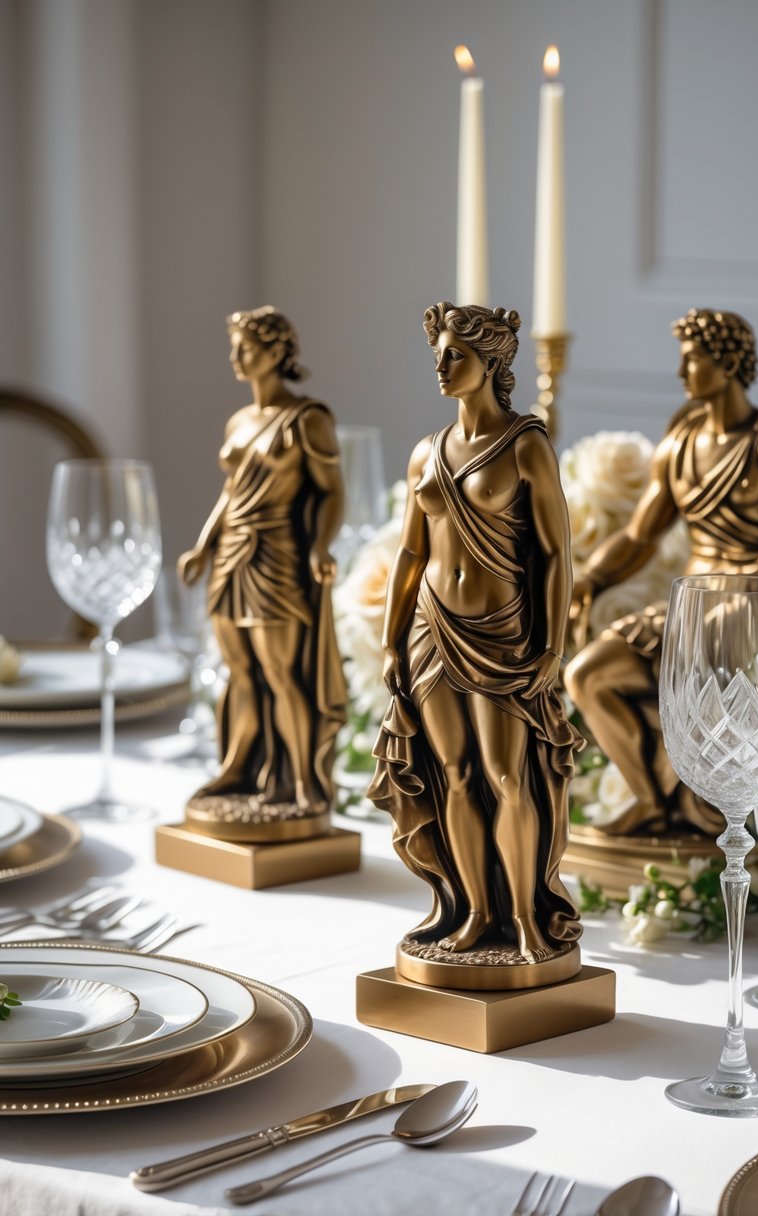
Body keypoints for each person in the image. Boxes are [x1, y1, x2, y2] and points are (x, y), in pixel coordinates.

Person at [368, 301, 582, 967]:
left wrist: (552, 647)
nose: (441, 367)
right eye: (437, 355)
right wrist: (390, 638)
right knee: (454, 776)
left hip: (503, 635)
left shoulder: (526, 444)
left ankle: (525, 918)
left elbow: (556, 553)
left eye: (454, 356)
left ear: (490, 363)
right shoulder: (424, 452)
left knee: (507, 776)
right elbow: (410, 553)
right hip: (431, 629)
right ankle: (474, 915)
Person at [565, 308, 758, 835]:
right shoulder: (680, 443)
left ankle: (708, 812)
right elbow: (640, 536)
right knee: (587, 674)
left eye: (693, 359)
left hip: (757, 609)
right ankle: (652, 802)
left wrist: (735, 594)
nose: (681, 372)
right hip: (689, 605)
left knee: (703, 668)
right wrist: (589, 580)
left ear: (727, 362)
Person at [179, 306, 346, 819]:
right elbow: (230, 493)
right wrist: (204, 546)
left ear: (276, 353)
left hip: (276, 556)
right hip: (231, 555)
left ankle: (304, 780)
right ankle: (238, 769)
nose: (235, 357)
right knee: (239, 673)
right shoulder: (239, 420)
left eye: (246, 348)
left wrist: (320, 547)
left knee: (280, 671)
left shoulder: (308, 419)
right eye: (234, 346)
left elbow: (331, 492)